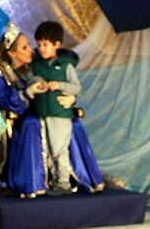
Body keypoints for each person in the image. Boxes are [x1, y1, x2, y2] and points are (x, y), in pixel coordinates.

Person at [28, 21, 101, 195]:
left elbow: (76, 87)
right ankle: (54, 181)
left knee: (59, 149)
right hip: (43, 113)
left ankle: (64, 181)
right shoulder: (36, 65)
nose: (42, 49)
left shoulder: (66, 66)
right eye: (39, 45)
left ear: (57, 45)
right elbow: (30, 81)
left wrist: (59, 85)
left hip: (60, 114)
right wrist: (37, 84)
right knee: (49, 150)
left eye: (46, 45)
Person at [0, 23, 52, 198]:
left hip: (26, 116)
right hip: (6, 122)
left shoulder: (26, 69)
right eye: (24, 47)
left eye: (29, 45)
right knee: (32, 124)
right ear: (12, 53)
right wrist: (28, 93)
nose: (31, 50)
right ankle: (28, 181)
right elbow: (2, 100)